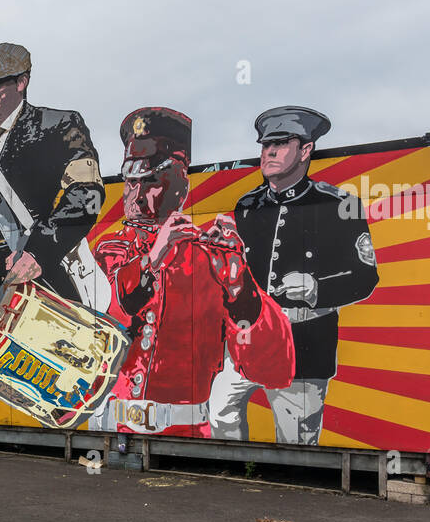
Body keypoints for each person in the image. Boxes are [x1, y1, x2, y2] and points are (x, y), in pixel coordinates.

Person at [91, 107, 294, 436]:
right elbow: (102, 322)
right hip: (112, 429)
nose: (136, 195)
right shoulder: (112, 249)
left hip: (187, 435)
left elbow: (274, 369)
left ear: (179, 187)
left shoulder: (210, 256)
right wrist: (153, 259)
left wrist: (239, 284)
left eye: (152, 182)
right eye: (131, 182)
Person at [0, 42, 106, 423]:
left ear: (22, 83)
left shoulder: (59, 125)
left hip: (37, 269)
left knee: (57, 367)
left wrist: (38, 253)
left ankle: (64, 440)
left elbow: (87, 193)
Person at [208, 105, 379, 444]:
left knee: (296, 439)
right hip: (249, 337)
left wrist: (317, 288)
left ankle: (294, 489)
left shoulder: (339, 205)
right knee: (219, 409)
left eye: (281, 143)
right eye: (265, 145)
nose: (268, 152)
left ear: (305, 150)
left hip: (304, 340)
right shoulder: (247, 205)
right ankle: (235, 475)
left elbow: (365, 276)